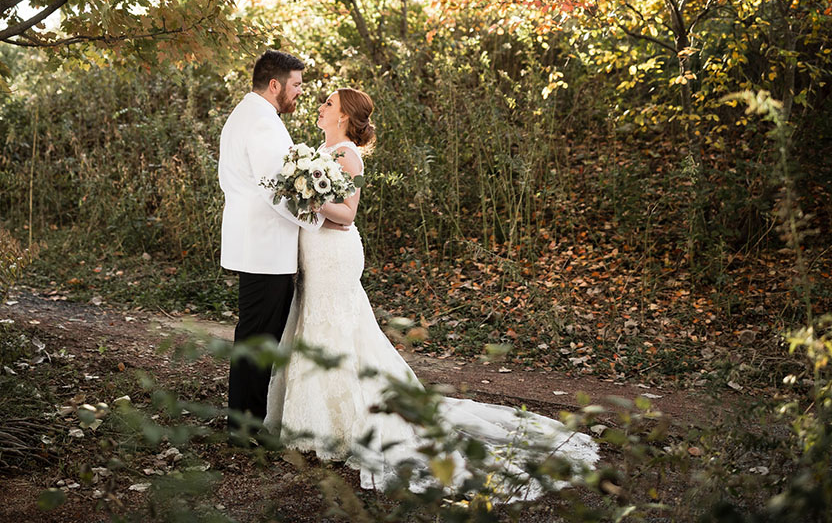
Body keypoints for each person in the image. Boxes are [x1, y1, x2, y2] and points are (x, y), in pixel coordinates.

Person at [264, 87, 599, 501]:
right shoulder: (320, 150)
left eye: (328, 103)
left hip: (335, 254)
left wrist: (308, 199)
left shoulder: (347, 154)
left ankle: (347, 424)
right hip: (314, 252)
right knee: (315, 322)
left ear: (346, 117)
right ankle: (318, 422)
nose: (320, 106)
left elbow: (347, 216)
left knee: (336, 327)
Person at [218, 50, 341, 438]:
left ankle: (245, 423)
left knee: (255, 336)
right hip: (265, 248)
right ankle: (244, 429)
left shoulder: (251, 114)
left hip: (257, 244)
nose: (301, 93)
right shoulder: (262, 123)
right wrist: (321, 219)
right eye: (297, 85)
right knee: (258, 339)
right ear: (276, 85)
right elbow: (278, 190)